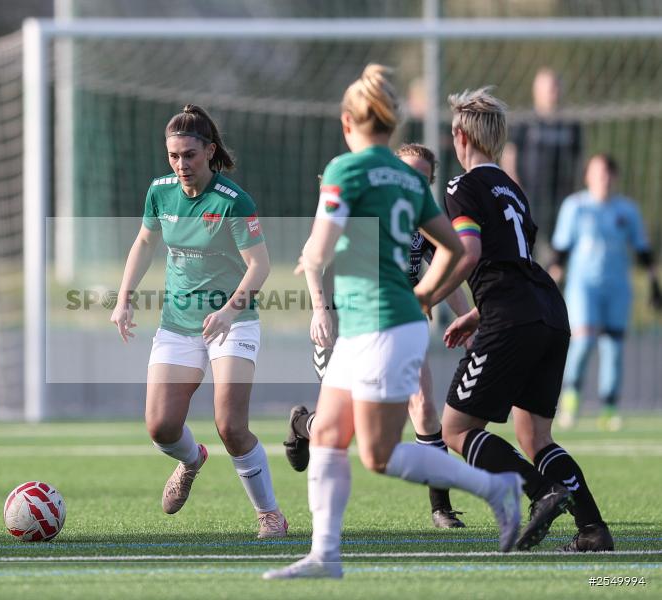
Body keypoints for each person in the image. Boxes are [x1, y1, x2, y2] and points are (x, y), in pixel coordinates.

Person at [263, 66, 523, 580]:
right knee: (330, 435)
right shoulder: (407, 176)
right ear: (388, 126)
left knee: (378, 454)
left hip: (381, 327)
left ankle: (498, 488)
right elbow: (450, 247)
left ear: (347, 122)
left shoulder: (344, 169)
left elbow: (321, 241)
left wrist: (315, 256)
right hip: (383, 322)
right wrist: (423, 294)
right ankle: (325, 555)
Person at [436, 87, 613, 552]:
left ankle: (541, 493)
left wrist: (425, 295)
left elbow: (471, 252)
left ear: (459, 136)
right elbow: (513, 261)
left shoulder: (462, 186)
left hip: (512, 317)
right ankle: (593, 530)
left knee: (455, 428)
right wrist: (476, 313)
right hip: (549, 311)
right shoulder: (513, 190)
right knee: (535, 435)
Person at [109, 104, 288, 539]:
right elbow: (144, 242)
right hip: (178, 322)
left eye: (189, 154)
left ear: (209, 151)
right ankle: (191, 461)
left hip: (234, 320)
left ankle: (270, 515)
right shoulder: (160, 192)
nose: (181, 164)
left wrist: (229, 310)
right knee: (161, 426)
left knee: (230, 425)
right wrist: (124, 297)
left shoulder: (234, 201)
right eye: (173, 155)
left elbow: (260, 266)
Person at [283, 143, 475, 530]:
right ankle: (302, 424)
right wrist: (320, 310)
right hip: (346, 318)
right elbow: (312, 256)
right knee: (341, 425)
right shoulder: (360, 205)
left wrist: (468, 319)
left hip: (401, 317)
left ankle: (441, 507)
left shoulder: (421, 220)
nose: (411, 182)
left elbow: (447, 270)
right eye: (406, 173)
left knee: (422, 406)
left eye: (421, 178)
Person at [549, 154, 662, 431]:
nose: (604, 178)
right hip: (583, 286)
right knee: (584, 341)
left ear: (615, 177)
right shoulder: (575, 207)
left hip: (617, 288)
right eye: (598, 172)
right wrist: (549, 289)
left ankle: (609, 408)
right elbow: (560, 253)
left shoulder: (627, 211)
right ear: (588, 176)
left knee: (613, 347)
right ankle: (571, 398)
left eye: (609, 172)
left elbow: (643, 251)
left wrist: (654, 284)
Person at [501, 67, 583, 249]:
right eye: (548, 89)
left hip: (562, 196)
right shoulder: (525, 121)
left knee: (560, 246)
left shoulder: (570, 124)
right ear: (536, 91)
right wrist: (514, 188)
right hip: (530, 195)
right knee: (529, 244)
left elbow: (579, 160)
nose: (552, 93)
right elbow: (510, 155)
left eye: (555, 87)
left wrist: (577, 190)